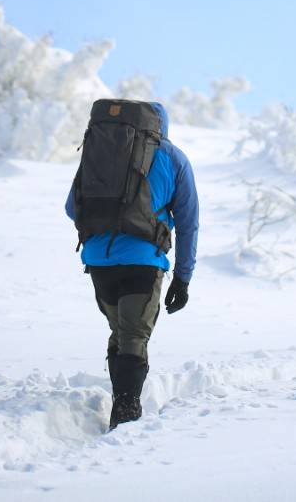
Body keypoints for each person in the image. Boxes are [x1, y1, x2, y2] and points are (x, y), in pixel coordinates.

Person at [66, 100, 199, 431]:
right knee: (134, 336)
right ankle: (126, 414)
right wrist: (182, 278)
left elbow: (71, 207)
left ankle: (121, 405)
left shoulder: (100, 151)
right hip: (143, 261)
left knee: (123, 332)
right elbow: (188, 223)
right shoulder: (173, 157)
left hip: (98, 261)